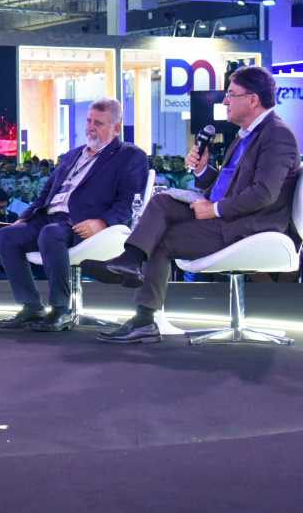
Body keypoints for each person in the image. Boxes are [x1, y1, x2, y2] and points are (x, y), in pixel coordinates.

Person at [102, 66, 300, 343]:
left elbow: (263, 194)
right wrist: (203, 169)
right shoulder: (245, 135)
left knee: (162, 240)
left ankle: (144, 319)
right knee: (161, 201)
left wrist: (214, 210)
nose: (225, 101)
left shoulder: (277, 135)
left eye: (231, 94)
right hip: (227, 214)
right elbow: (226, 186)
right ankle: (131, 258)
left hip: (249, 225)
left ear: (253, 99)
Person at [0, 98, 148, 332]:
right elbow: (47, 191)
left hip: (81, 222)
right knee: (6, 236)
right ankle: (31, 306)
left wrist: (103, 222)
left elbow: (129, 200)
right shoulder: (73, 154)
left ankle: (60, 309)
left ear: (116, 128)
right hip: (47, 217)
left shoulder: (130, 156)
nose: (90, 127)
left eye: (98, 123)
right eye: (89, 121)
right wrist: (24, 217)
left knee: (51, 233)